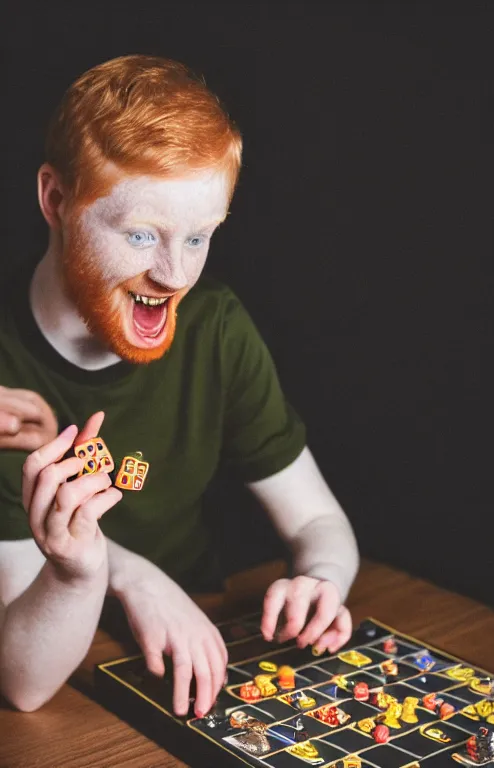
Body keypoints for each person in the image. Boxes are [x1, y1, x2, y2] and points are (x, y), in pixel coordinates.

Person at [0, 54, 359, 717]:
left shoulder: (214, 325)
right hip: (72, 673)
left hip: (197, 640)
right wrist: (119, 574)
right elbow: (24, 683)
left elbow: (315, 519)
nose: (174, 275)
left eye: (199, 238)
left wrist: (321, 579)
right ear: (55, 200)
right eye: (141, 235)